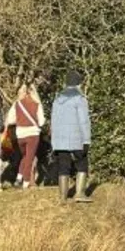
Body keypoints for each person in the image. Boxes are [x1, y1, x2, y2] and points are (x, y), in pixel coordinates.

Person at [51, 70, 92, 204]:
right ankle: (79, 193)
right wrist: (86, 140)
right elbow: (84, 121)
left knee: (63, 166)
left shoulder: (57, 99)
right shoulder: (80, 99)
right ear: (78, 83)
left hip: (59, 139)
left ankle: (63, 197)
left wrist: (54, 142)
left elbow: (53, 121)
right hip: (76, 138)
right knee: (82, 164)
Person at [6, 84, 45, 189]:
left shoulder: (17, 104)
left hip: (20, 134)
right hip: (33, 133)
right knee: (29, 158)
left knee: (25, 156)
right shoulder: (37, 104)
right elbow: (41, 122)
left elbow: (10, 120)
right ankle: (26, 181)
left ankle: (19, 177)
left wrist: (19, 120)